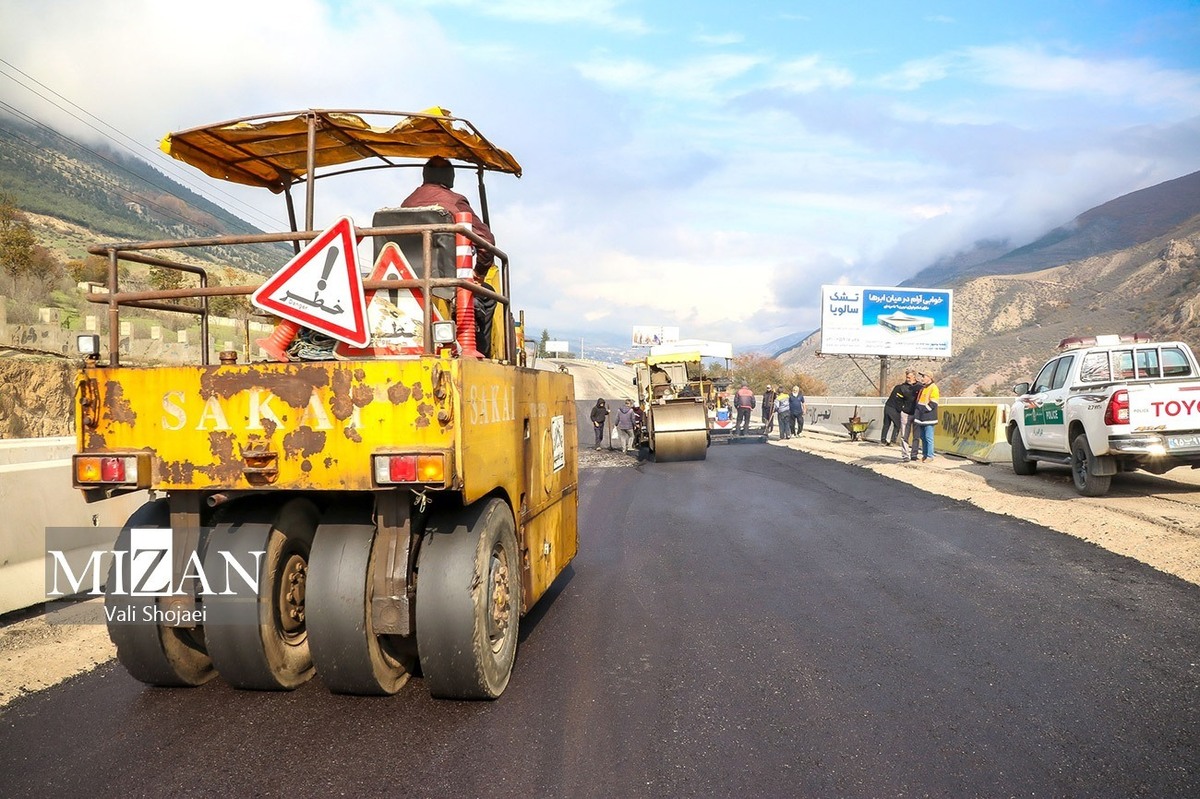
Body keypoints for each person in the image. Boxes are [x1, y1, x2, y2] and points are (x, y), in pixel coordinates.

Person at [402, 156, 496, 273]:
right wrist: (479, 272)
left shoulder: (407, 203)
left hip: (406, 274)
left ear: (425, 176)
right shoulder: (455, 201)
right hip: (446, 277)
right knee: (489, 290)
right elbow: (486, 242)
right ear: (450, 177)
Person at [881, 369, 919, 449]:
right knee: (897, 424)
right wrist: (902, 409)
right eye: (907, 377)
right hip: (893, 408)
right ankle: (892, 441)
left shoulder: (916, 386)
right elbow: (900, 401)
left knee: (886, 424)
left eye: (909, 377)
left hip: (888, 406)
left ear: (914, 377)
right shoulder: (902, 388)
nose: (908, 379)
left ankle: (883, 440)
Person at [913, 371, 941, 461]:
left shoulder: (934, 388)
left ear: (929, 377)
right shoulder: (924, 388)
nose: (922, 378)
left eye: (924, 376)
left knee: (929, 437)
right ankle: (925, 455)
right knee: (923, 437)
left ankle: (930, 456)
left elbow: (933, 403)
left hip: (929, 417)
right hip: (921, 417)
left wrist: (923, 410)